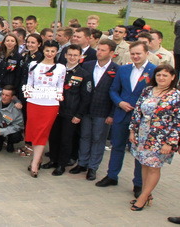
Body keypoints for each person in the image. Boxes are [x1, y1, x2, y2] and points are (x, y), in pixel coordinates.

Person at [97, 42, 156, 196]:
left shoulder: (154, 71)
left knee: (138, 150)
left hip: (142, 118)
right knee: (117, 146)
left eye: (138, 53)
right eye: (133, 53)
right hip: (122, 114)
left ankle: (138, 183)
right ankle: (112, 176)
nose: (135, 56)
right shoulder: (124, 69)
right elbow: (113, 90)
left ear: (146, 53)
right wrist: (120, 102)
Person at [127, 65, 179, 211]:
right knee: (144, 164)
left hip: (161, 138)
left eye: (165, 75)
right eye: (159, 75)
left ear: (172, 77)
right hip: (143, 135)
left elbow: (178, 121)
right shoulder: (148, 90)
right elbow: (138, 111)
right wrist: (133, 131)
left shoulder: (176, 95)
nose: (161, 78)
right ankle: (146, 193)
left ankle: (143, 198)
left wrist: (170, 143)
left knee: (154, 167)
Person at [73, 39, 119, 181]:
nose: (99, 52)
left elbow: (117, 92)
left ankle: (93, 167)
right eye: (98, 49)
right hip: (86, 109)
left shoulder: (116, 70)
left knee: (98, 139)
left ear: (111, 53)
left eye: (103, 50)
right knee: (85, 136)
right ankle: (82, 163)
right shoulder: (88, 65)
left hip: (103, 111)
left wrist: (112, 114)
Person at [43, 44, 92, 176]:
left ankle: (61, 164)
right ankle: (53, 160)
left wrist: (79, 115)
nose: (72, 57)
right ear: (65, 55)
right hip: (55, 109)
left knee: (66, 139)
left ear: (80, 57)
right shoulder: (58, 70)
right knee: (53, 137)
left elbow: (86, 98)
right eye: (70, 54)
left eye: (75, 55)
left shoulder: (84, 74)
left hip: (71, 113)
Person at [24, 40, 66, 177]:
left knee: (42, 132)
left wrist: (58, 101)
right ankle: (38, 158)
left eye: (53, 51)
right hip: (34, 102)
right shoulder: (34, 65)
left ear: (57, 52)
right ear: (43, 50)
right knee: (34, 131)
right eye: (47, 50)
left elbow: (60, 86)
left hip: (50, 104)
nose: (49, 53)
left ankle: (35, 163)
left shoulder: (60, 68)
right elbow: (29, 83)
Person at [0, 85, 24, 153]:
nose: (3, 97)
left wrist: (3, 131)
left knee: (16, 136)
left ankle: (10, 143)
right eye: (3, 94)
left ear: (12, 97)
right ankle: (0, 141)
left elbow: (19, 126)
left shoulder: (16, 109)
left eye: (7, 95)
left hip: (10, 127)